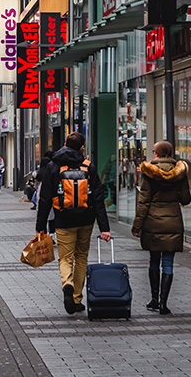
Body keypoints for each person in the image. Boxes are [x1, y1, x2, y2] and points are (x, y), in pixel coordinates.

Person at [36, 132, 111, 315]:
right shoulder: (88, 167)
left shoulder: (54, 166)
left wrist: (40, 227)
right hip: (86, 219)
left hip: (63, 220)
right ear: (81, 147)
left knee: (65, 258)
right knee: (82, 257)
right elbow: (99, 198)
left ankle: (67, 284)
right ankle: (77, 298)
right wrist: (105, 228)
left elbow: (45, 199)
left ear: (64, 144)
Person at [131, 141, 191, 315]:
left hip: (153, 221)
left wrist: (137, 226)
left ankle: (154, 300)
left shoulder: (149, 172)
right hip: (173, 221)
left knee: (153, 260)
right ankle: (164, 304)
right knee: (168, 263)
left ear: (157, 154)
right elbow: (186, 199)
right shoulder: (180, 172)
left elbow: (143, 202)